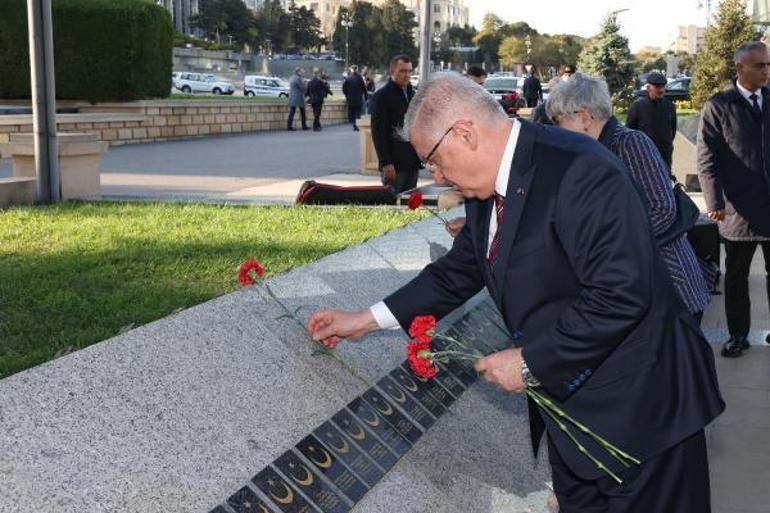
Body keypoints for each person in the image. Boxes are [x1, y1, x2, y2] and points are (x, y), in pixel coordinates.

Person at [309, 72, 723, 512]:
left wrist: (530, 362)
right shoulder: (488, 185)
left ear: (464, 132)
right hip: (579, 425)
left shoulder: (577, 168)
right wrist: (365, 320)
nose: (438, 175)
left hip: (644, 417)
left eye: (434, 158)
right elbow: (458, 272)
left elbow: (621, 293)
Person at [547, 73, 711, 323]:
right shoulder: (597, 149)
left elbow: (662, 212)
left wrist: (601, 247)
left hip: (670, 290)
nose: (556, 130)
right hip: (647, 291)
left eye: (558, 121)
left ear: (583, 117)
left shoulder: (629, 143)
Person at [698, 40, 770, 355]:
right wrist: (714, 202)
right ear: (740, 68)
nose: (766, 70)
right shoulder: (719, 105)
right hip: (738, 211)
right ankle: (737, 336)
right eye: (759, 65)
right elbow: (707, 159)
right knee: (737, 278)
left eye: (768, 64)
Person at [369, 54, 421, 194]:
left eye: (410, 71)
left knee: (410, 207)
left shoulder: (413, 95)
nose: (407, 75)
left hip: (412, 162)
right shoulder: (382, 96)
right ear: (392, 71)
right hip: (394, 164)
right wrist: (385, 162)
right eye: (403, 71)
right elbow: (378, 132)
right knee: (394, 205)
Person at [626, 72, 677, 172]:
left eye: (663, 86)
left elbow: (673, 130)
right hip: (643, 156)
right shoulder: (637, 106)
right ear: (648, 88)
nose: (661, 90)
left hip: (664, 156)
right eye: (657, 87)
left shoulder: (669, 106)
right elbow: (629, 132)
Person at [342, 65, 368, 131]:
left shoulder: (348, 78)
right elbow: (364, 88)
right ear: (357, 70)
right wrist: (366, 96)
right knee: (358, 112)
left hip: (350, 99)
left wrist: (347, 95)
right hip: (358, 98)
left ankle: (354, 124)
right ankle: (357, 125)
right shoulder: (359, 78)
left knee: (352, 112)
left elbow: (344, 89)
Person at [287, 67, 309, 131]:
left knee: (292, 112)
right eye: (302, 72)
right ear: (298, 72)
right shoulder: (298, 78)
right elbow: (303, 88)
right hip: (298, 97)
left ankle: (289, 125)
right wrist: (305, 83)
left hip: (292, 96)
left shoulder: (292, 77)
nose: (303, 73)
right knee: (302, 112)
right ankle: (304, 126)